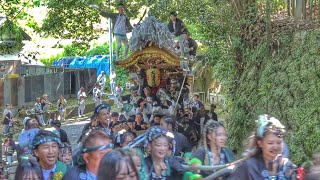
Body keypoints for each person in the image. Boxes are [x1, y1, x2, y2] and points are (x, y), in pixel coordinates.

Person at [228, 115, 296, 179]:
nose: (275, 147)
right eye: (270, 143)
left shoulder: (287, 166)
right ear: (260, 143)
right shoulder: (249, 167)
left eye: (279, 142)